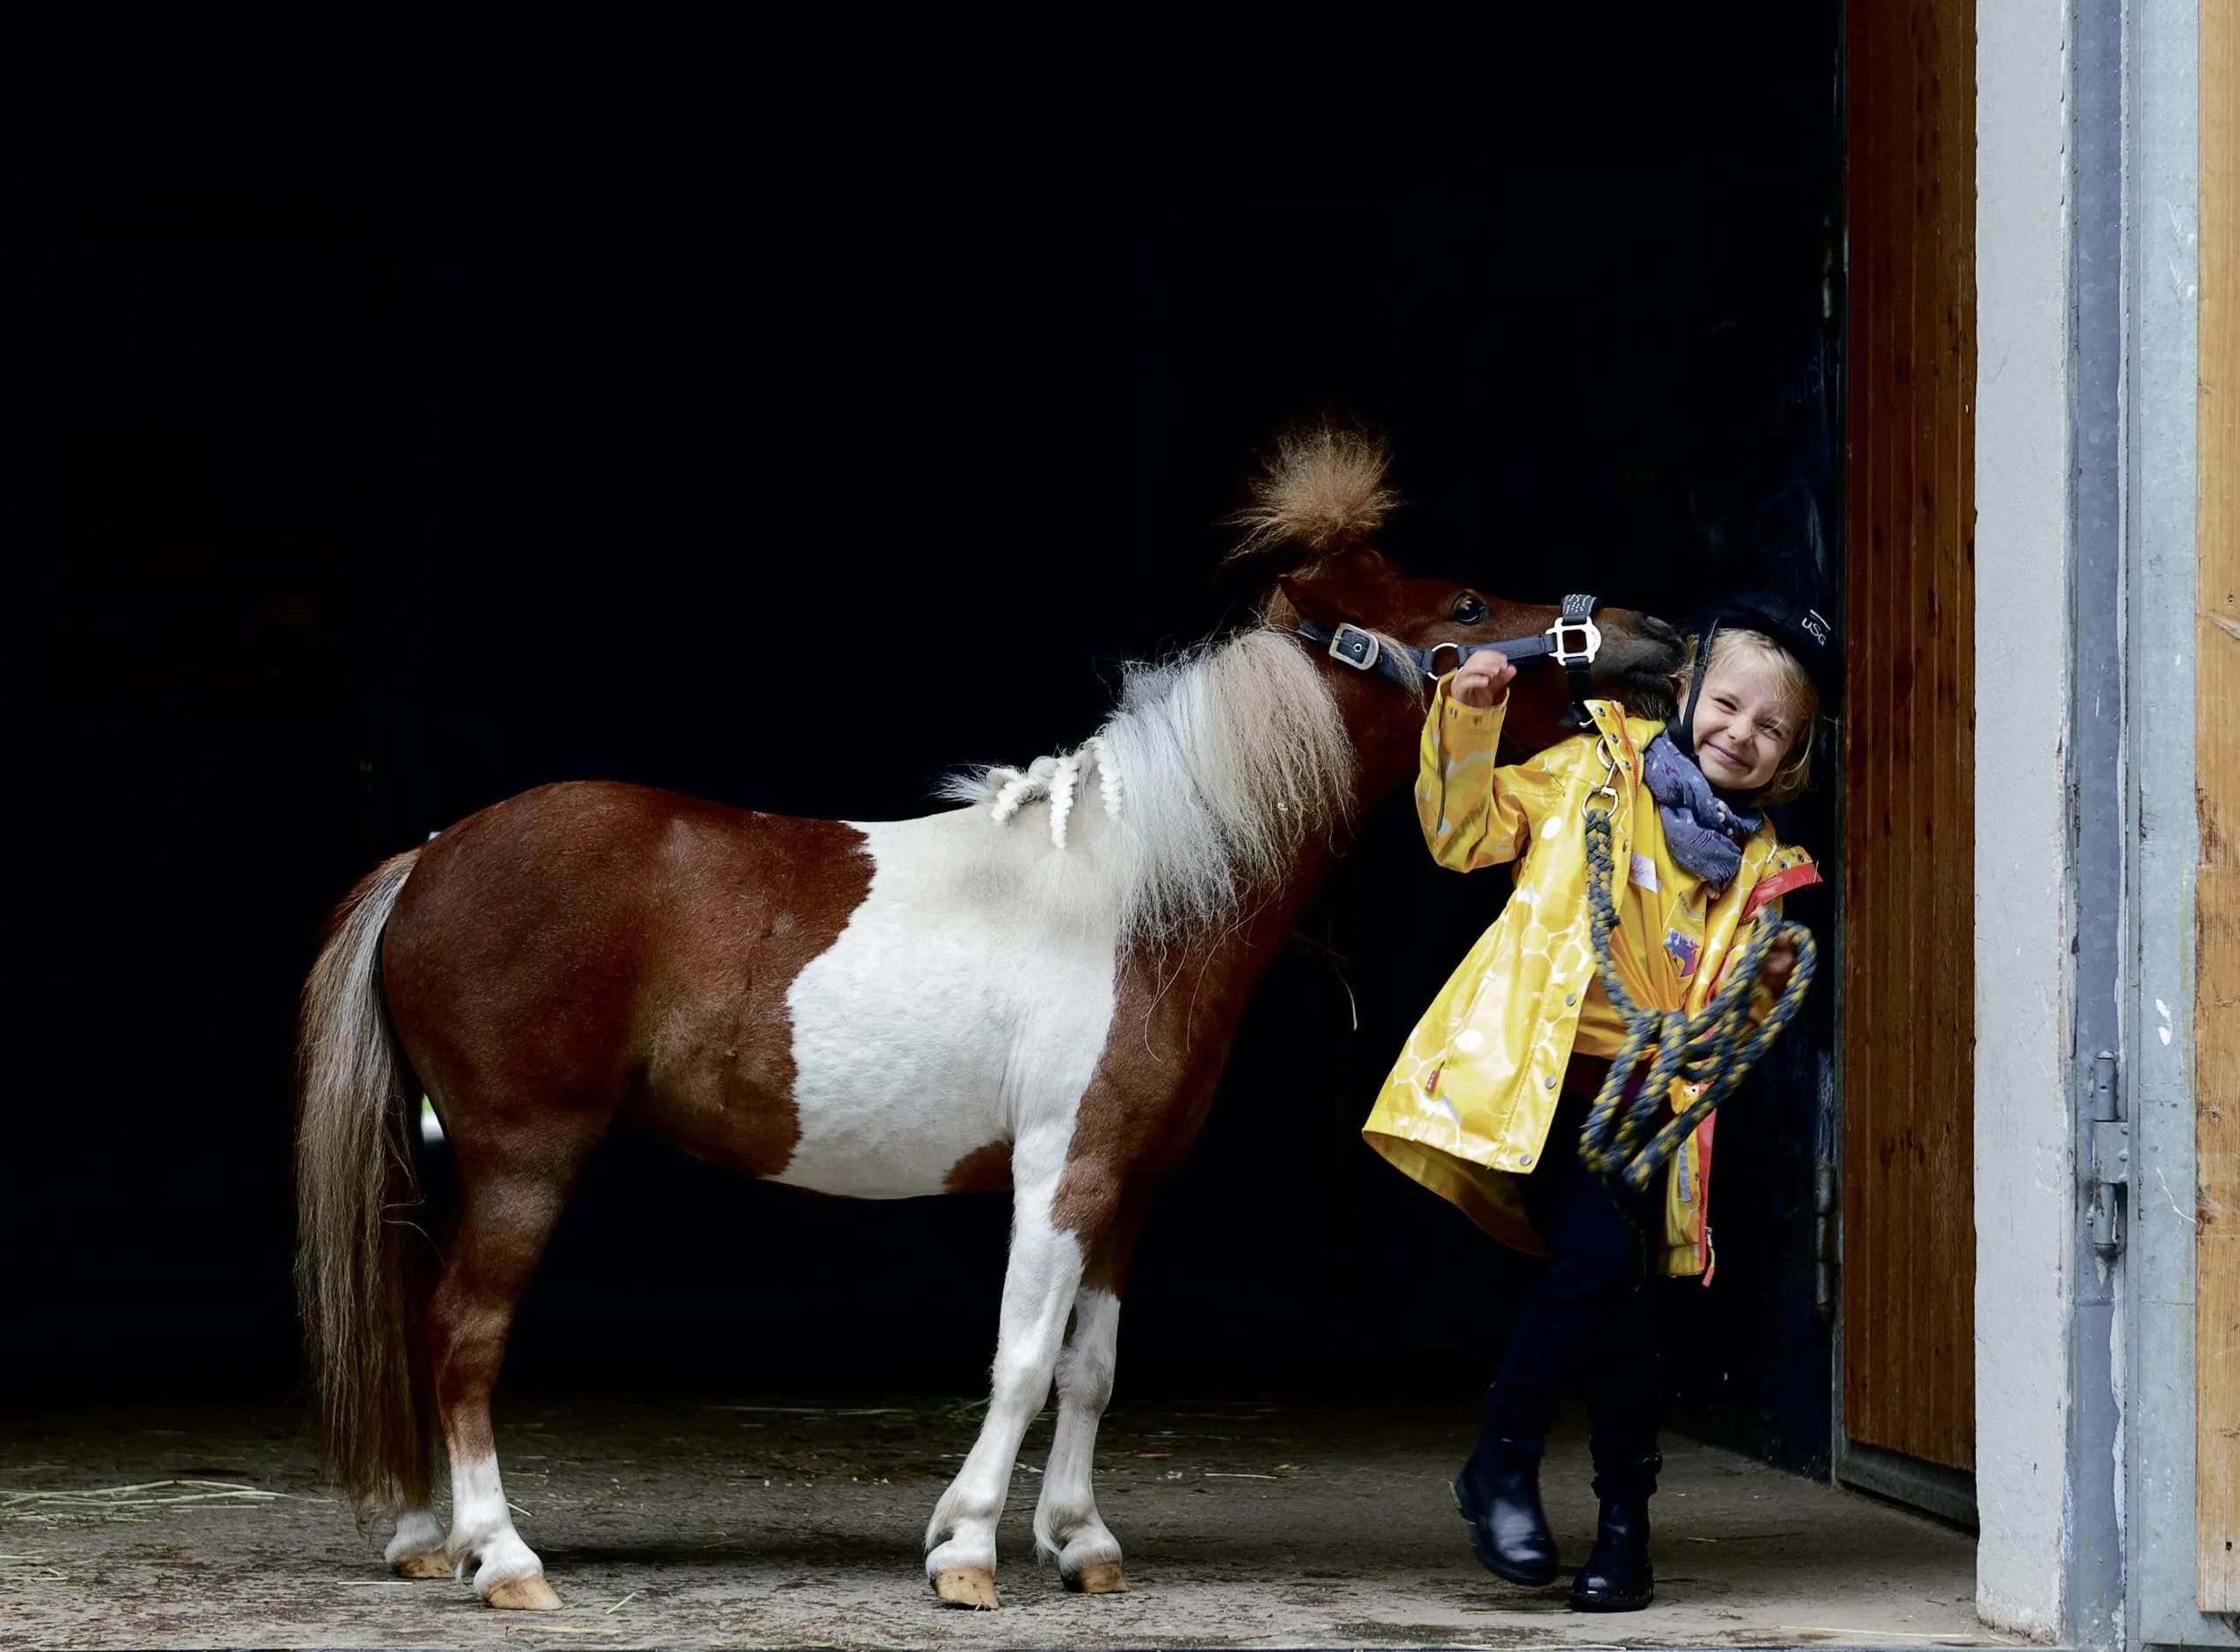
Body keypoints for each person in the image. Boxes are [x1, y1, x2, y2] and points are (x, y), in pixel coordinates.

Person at [1361, 592, 1834, 1612]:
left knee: (1627, 1314)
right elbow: (1459, 835)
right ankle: (1502, 1457)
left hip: (1647, 1119)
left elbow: (1734, 1013)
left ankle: (1626, 1529)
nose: (1740, 735)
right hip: (1541, 1093)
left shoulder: (1760, 873)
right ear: (1684, 691)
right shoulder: (1587, 774)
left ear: (1791, 756)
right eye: (1728, 704)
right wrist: (1472, 718)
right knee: (1600, 1261)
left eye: (1770, 729)